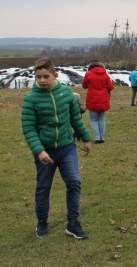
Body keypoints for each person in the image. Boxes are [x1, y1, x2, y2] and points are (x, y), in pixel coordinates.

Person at [21, 57, 92, 239]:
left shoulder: (66, 94)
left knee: (73, 183)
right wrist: (39, 150)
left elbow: (75, 118)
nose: (42, 80)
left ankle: (73, 224)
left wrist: (85, 138)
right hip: (45, 151)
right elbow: (29, 128)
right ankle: (42, 222)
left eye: (45, 76)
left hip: (67, 147)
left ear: (55, 75)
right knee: (43, 187)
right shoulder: (31, 100)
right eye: (38, 77)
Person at [82, 60, 114, 143]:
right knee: (101, 118)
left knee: (93, 119)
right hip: (103, 99)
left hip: (92, 99)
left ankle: (97, 137)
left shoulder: (88, 74)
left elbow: (84, 86)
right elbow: (110, 87)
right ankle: (102, 137)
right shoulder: (105, 74)